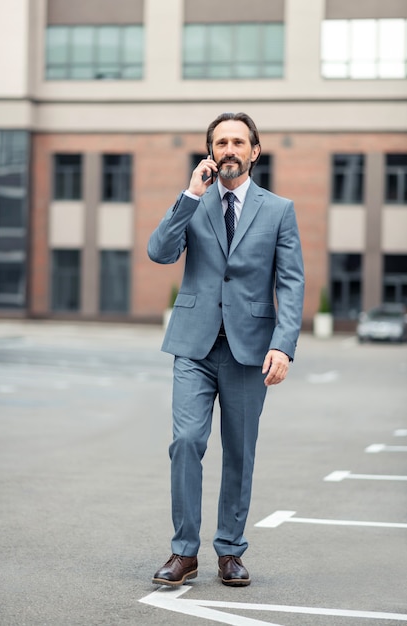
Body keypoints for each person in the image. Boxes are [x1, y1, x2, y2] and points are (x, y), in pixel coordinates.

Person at [148, 112, 304, 587]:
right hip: (194, 346)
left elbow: (291, 282)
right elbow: (159, 252)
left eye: (239, 141)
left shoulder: (279, 209)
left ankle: (231, 552)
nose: (230, 149)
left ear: (255, 151)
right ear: (211, 152)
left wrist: (284, 344)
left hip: (249, 349)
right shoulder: (194, 201)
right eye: (221, 143)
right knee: (187, 442)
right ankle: (184, 552)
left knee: (239, 452)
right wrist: (191, 195)